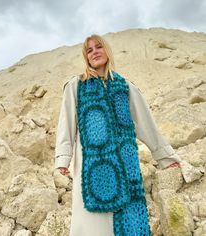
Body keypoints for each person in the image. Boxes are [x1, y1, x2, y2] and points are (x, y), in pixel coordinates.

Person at [54, 34, 181, 236]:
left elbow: (146, 124)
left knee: (123, 219)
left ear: (107, 51)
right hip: (89, 167)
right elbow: (66, 124)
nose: (94, 52)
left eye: (98, 47)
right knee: (90, 222)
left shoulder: (126, 87)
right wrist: (63, 159)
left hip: (124, 164)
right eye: (89, 50)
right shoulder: (75, 85)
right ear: (85, 57)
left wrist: (166, 156)